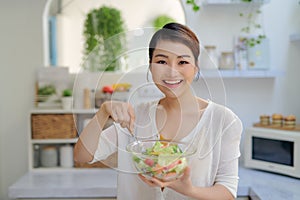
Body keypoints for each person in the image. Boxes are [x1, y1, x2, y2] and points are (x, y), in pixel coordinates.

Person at [74, 22, 243, 200]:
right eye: (162, 61)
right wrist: (103, 112)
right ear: (150, 65)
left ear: (196, 67)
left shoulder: (223, 120)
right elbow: (82, 155)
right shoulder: (136, 116)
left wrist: (188, 189)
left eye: (182, 62)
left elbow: (228, 192)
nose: (171, 72)